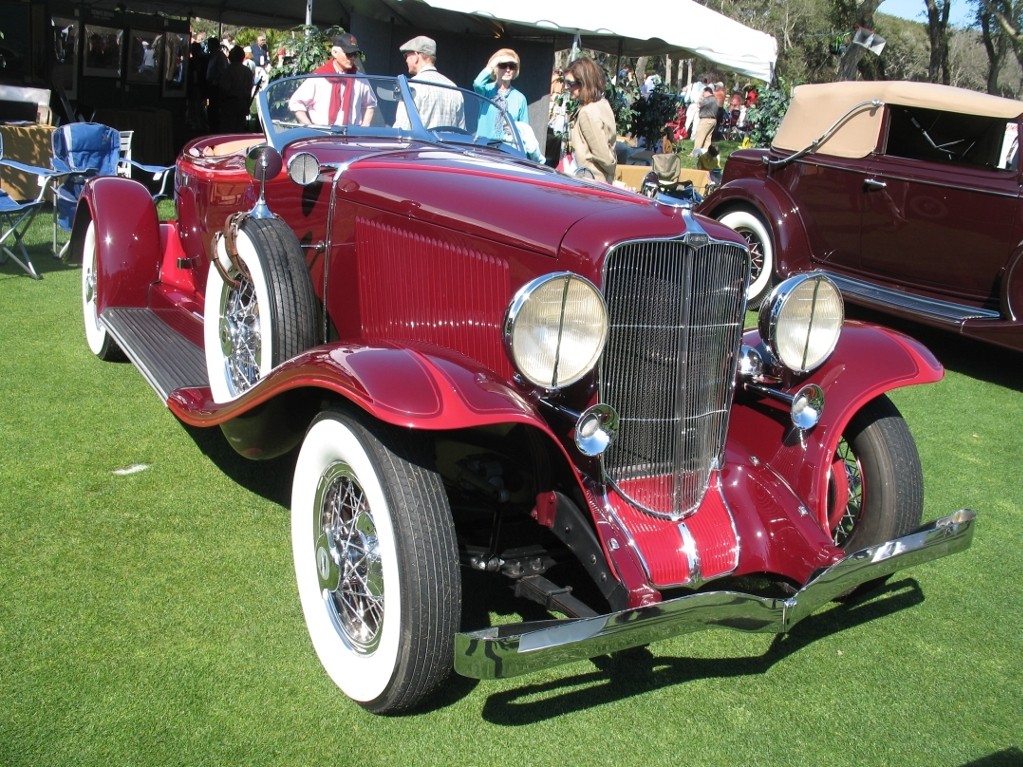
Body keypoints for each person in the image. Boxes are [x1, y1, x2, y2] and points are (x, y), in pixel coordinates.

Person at [288, 33, 377, 127]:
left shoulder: (360, 80)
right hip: (322, 135)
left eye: (355, 54)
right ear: (334, 52)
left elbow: (370, 105)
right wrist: (309, 127)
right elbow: (295, 102)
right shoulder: (319, 77)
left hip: (352, 136)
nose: (352, 58)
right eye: (349, 54)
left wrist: (364, 128)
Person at [562, 57, 617, 183]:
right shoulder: (602, 104)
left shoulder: (588, 112)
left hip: (590, 182)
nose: (566, 87)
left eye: (571, 83)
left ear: (584, 84)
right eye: (565, 82)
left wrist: (610, 173)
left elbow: (604, 156)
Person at [394, 36, 464, 130]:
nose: (406, 60)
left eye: (407, 55)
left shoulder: (412, 86)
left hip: (421, 145)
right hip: (446, 144)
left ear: (416, 56)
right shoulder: (453, 87)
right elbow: (460, 131)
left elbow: (402, 129)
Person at [473, 48, 528, 142]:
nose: (508, 69)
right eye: (503, 65)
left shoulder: (520, 98)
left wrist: (516, 130)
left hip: (507, 151)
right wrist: (491, 65)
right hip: (483, 149)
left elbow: (525, 130)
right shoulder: (486, 90)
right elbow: (477, 83)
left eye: (512, 66)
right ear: (495, 67)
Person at [218, 44, 255, 133]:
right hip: (242, 103)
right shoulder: (247, 71)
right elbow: (249, 89)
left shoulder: (229, 70)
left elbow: (224, 89)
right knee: (239, 130)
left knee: (228, 130)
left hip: (230, 104)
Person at [691, 85, 718, 156]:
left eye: (703, 92)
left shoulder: (708, 99)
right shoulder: (715, 99)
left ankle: (695, 153)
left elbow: (699, 104)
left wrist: (700, 96)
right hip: (713, 120)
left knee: (700, 136)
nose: (703, 94)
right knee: (707, 139)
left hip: (706, 120)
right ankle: (706, 153)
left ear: (707, 92)